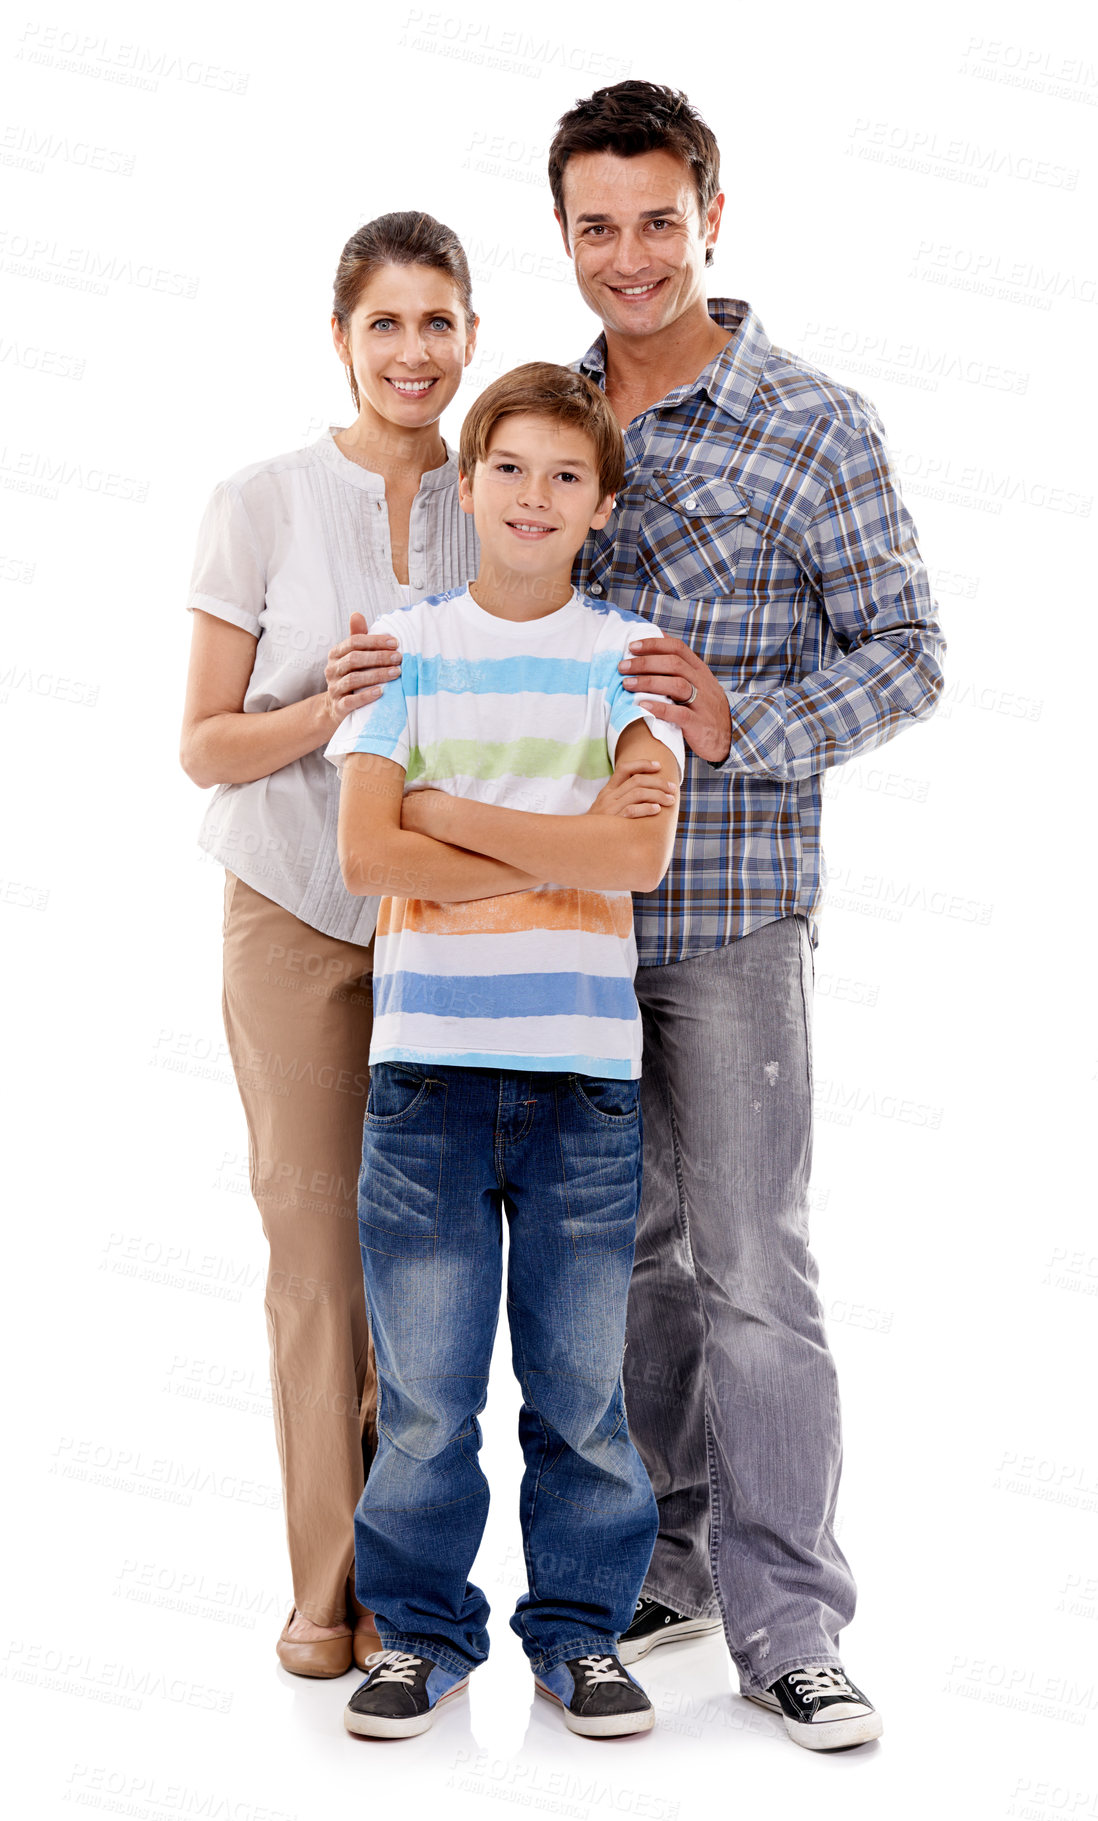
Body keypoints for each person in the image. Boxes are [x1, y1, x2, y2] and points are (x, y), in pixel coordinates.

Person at [544, 80, 947, 1751]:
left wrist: (745, 726)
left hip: (727, 915)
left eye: (656, 219)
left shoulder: (812, 423)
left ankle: (791, 1618)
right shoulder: (540, 419)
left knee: (753, 1266)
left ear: (713, 215)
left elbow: (907, 652)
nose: (627, 257)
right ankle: (675, 1555)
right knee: (628, 1260)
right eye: (594, 226)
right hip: (556, 917)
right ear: (561, 234)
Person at [324, 362, 686, 1740]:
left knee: (581, 1391)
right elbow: (367, 849)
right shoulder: (402, 648)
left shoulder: (625, 655)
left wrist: (454, 813)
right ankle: (420, 1632)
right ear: (464, 484)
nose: (534, 496)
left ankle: (580, 1631)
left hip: (581, 1077)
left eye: (566, 476)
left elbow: (634, 853)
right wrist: (557, 844)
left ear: (598, 505)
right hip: (424, 1070)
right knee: (421, 1394)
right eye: (510, 468)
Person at [178, 211, 480, 1677]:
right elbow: (202, 746)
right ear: (342, 338)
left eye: (439, 322)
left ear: (472, 336)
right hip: (293, 908)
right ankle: (328, 1585)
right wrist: (327, 701)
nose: (413, 352)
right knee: (313, 1250)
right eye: (386, 323)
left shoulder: (508, 497)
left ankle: (416, 1595)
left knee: (423, 1251)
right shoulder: (261, 500)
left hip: (452, 918)